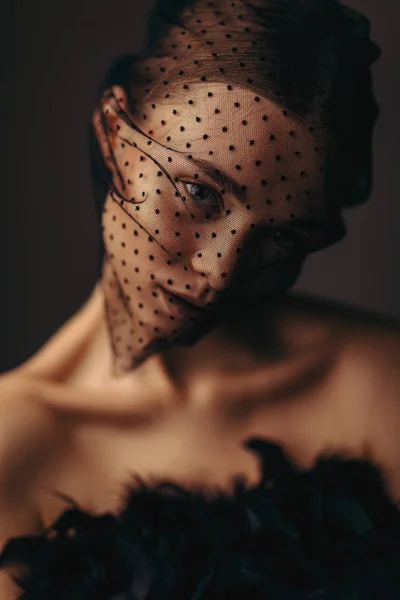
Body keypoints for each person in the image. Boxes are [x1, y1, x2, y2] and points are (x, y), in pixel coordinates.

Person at [1, 0, 400, 597]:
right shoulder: (14, 449)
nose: (220, 271)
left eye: (280, 237)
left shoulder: (379, 381)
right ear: (113, 133)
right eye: (198, 191)